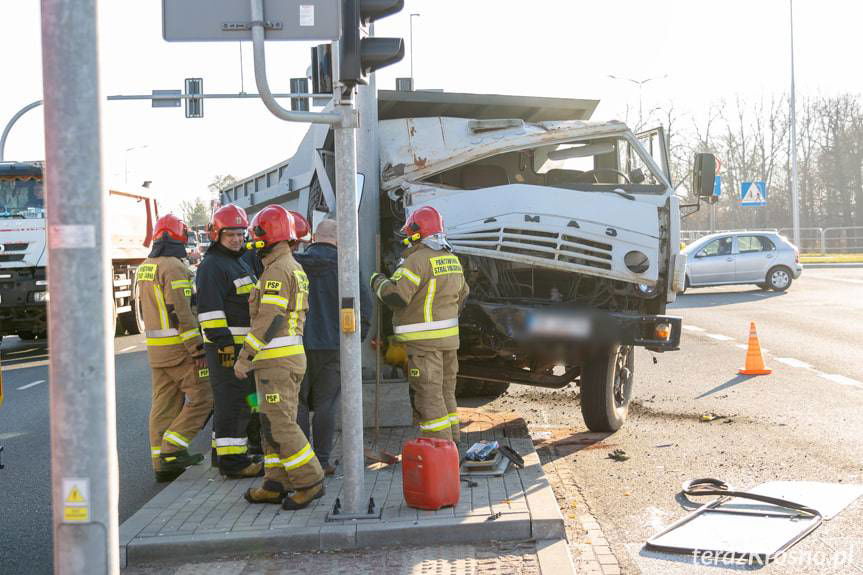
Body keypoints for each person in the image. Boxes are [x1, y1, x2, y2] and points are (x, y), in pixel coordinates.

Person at [236, 205, 325, 509]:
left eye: (256, 237)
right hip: (278, 360)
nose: (253, 243)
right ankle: (275, 482)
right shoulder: (288, 266)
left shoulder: (278, 270)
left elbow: (270, 319)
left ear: (266, 237)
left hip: (277, 360)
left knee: (282, 423)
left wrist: (244, 356)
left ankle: (310, 480)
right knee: (269, 421)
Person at [370, 206, 469, 442]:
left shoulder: (415, 261)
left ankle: (439, 452)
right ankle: (452, 447)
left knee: (429, 397)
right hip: (448, 343)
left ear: (417, 233)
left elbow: (396, 296)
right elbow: (464, 295)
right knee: (446, 394)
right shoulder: (452, 260)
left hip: (424, 346)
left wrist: (377, 281)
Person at [136, 214, 213, 482]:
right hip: (180, 351)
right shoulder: (174, 268)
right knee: (205, 397)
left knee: (163, 405)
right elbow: (181, 312)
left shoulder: (146, 266)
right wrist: (198, 349)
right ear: (179, 238)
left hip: (157, 351)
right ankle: (172, 449)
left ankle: (162, 464)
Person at [295, 218, 372, 475]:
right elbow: (364, 307)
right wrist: (352, 343)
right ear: (340, 240)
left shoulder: (295, 264)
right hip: (335, 347)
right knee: (326, 404)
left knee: (299, 404)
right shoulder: (346, 266)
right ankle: (323, 460)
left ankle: (302, 462)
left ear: (315, 238)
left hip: (298, 346)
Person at [196, 204, 262, 479]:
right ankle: (233, 464)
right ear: (216, 235)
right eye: (230, 235)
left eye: (239, 234)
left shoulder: (239, 261)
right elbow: (210, 314)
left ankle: (227, 455)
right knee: (232, 403)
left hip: (242, 349)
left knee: (246, 401)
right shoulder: (212, 266)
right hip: (227, 349)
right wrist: (225, 347)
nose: (236, 239)